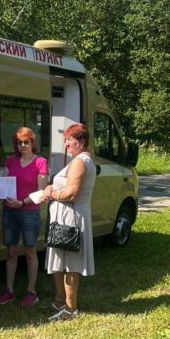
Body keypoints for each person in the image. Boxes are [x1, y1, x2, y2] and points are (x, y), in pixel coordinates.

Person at [43, 122, 96, 321]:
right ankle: (60, 300)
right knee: (60, 261)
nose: (66, 145)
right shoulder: (85, 158)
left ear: (81, 142)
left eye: (69, 141)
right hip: (68, 215)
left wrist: (51, 192)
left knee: (71, 263)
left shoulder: (80, 161)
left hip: (71, 216)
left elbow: (72, 193)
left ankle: (70, 309)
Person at [0, 127, 49, 307]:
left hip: (29, 212)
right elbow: (4, 183)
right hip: (10, 210)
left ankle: (31, 291)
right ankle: (9, 290)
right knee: (11, 251)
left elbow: (42, 192)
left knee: (30, 251)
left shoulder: (41, 162)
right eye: (19, 143)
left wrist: (22, 202)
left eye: (26, 142)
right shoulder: (11, 161)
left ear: (33, 143)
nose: (23, 145)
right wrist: (4, 196)